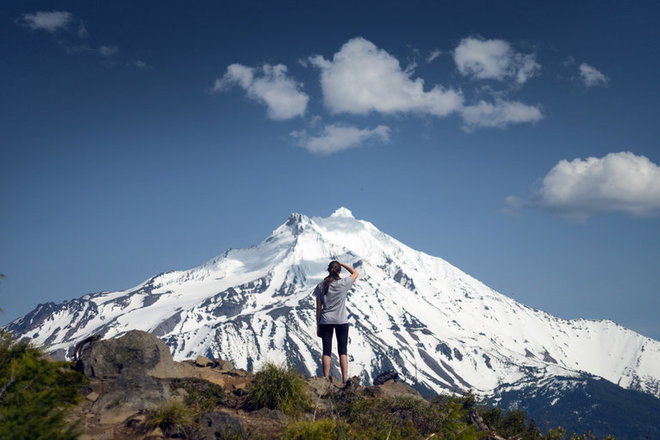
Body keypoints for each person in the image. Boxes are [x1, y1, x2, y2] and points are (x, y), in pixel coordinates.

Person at [314, 260, 359, 383]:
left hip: (325, 321)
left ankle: (325, 379)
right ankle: (345, 379)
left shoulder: (320, 286)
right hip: (341, 321)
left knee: (326, 351)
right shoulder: (344, 283)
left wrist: (318, 326)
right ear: (339, 271)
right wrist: (343, 264)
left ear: (328, 270)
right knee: (342, 351)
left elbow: (319, 308)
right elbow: (355, 272)